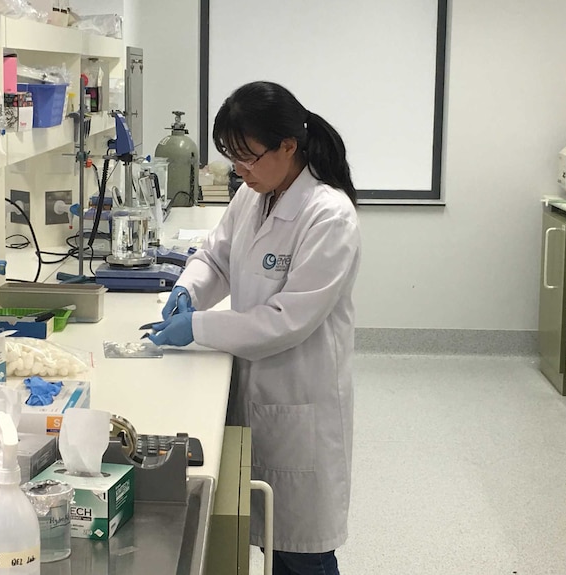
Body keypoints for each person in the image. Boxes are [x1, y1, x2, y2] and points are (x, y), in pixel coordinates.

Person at [148, 81, 360, 575]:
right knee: (260, 533)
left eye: (248, 158)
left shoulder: (329, 215)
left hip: (299, 396)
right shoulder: (252, 195)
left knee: (301, 550)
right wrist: (190, 291)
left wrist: (197, 327)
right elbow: (216, 258)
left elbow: (288, 320)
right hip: (252, 388)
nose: (239, 171)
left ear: (289, 146)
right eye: (232, 159)